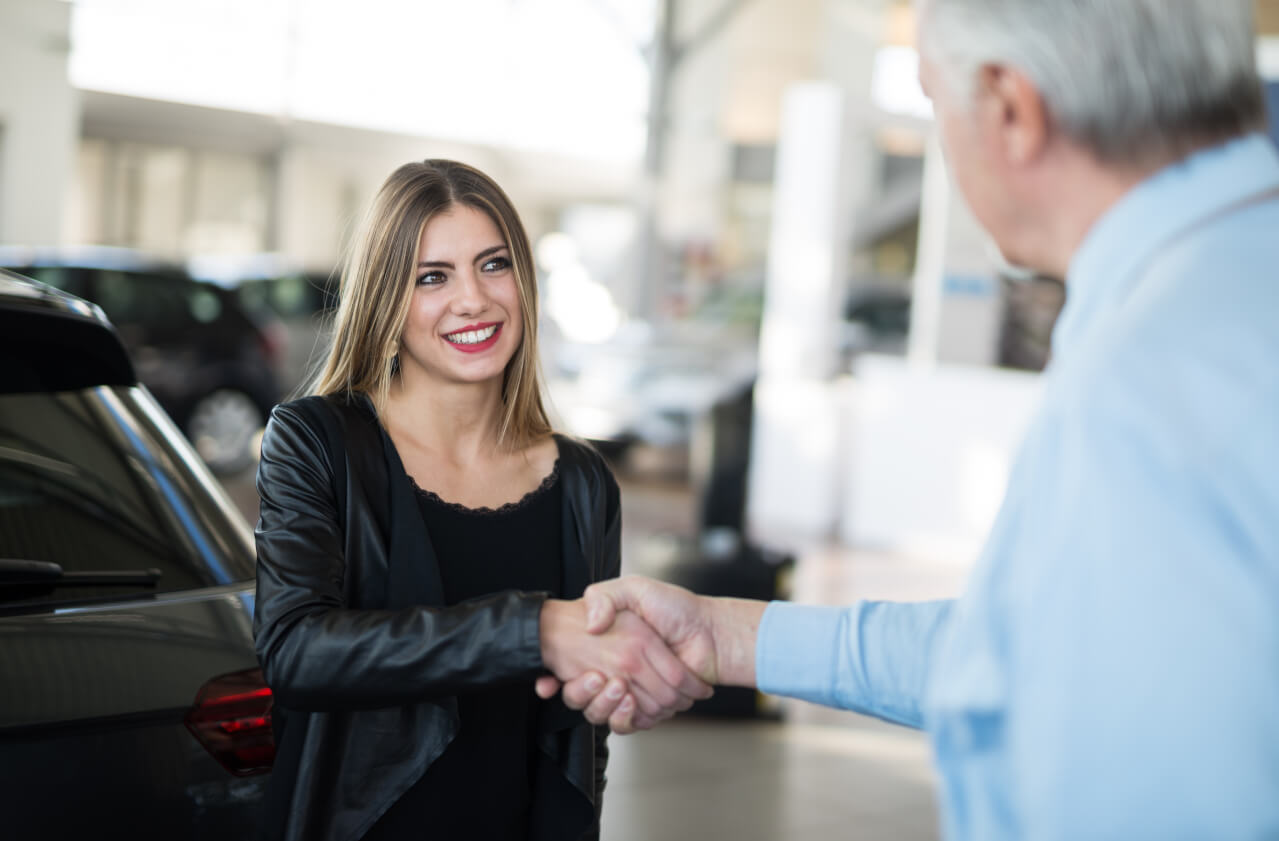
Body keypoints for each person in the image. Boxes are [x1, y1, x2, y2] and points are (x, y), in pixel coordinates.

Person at [537, 1, 1279, 838]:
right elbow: (1031, 648)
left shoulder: (1149, 375)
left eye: (934, 103)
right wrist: (728, 634)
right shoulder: (1227, 292)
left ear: (1006, 107)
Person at [253, 159, 710, 841]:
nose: (472, 298)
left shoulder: (582, 481)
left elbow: (582, 744)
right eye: (431, 276)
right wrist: (533, 630)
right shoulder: (318, 440)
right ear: (387, 297)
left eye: (492, 265)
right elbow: (296, 649)